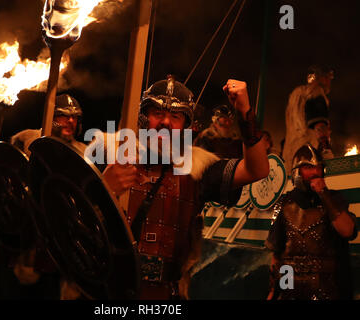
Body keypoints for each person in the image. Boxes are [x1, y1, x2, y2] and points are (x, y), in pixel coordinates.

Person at [100, 75, 269, 299]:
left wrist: (244, 111)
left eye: (176, 116)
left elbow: (257, 170)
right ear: (144, 118)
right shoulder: (110, 157)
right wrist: (103, 190)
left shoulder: (197, 169)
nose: (166, 122)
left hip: (166, 295)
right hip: (109, 291)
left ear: (186, 126)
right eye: (157, 113)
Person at [265, 144, 357, 300]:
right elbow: (279, 255)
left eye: (318, 167)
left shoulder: (334, 200)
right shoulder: (283, 204)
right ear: (297, 172)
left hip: (328, 291)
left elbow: (347, 231)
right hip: (291, 291)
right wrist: (275, 292)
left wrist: (324, 194)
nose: (315, 172)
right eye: (308, 167)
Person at [283, 65, 335, 174]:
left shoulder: (296, 93)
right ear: (322, 77)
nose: (329, 81)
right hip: (309, 153)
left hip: (291, 152)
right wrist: (326, 149)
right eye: (329, 77)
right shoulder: (316, 92)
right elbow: (319, 124)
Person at [11, 93, 86, 156]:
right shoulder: (25, 139)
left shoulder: (83, 152)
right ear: (52, 117)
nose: (71, 120)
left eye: (74, 116)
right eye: (64, 115)